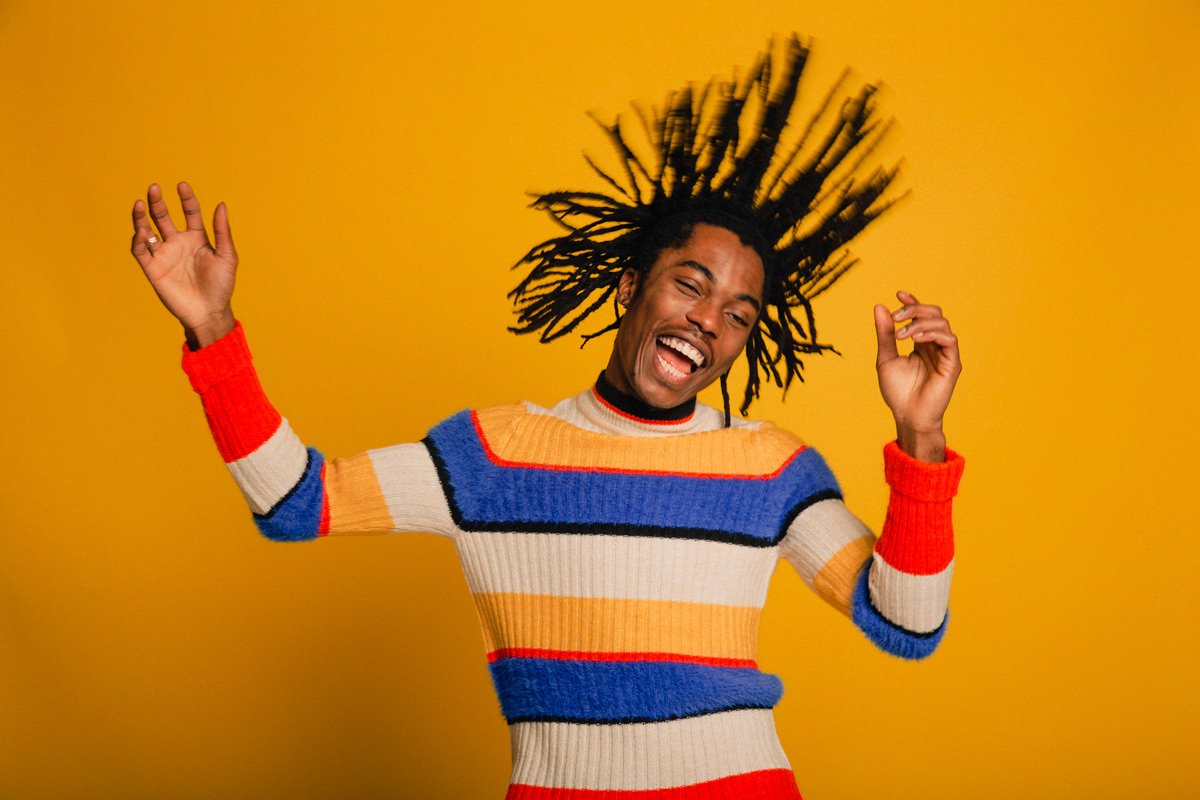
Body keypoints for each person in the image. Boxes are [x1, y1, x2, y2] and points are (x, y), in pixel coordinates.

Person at [130, 37, 963, 800]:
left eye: (739, 314)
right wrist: (213, 329)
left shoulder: (770, 467)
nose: (710, 322)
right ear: (630, 287)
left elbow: (906, 624)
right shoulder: (492, 456)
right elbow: (295, 502)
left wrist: (920, 439)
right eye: (690, 284)